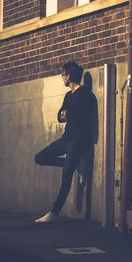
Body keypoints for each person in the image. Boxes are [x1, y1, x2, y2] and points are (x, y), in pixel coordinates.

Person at [34, 60, 94, 223]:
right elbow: (60, 115)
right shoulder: (69, 95)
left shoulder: (86, 95)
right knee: (40, 157)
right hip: (66, 138)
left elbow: (83, 118)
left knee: (66, 177)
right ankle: (74, 165)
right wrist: (65, 114)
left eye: (63, 75)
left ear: (69, 76)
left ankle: (54, 212)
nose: (62, 78)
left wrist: (68, 114)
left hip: (77, 141)